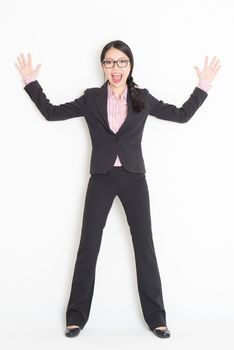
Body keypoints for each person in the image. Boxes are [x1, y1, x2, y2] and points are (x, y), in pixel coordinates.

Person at [15, 40, 220, 339]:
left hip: (134, 178)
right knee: (89, 245)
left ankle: (156, 319)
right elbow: (51, 113)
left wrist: (203, 85)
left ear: (130, 65)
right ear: (103, 66)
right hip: (101, 177)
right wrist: (31, 81)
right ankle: (76, 318)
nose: (116, 68)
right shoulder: (91, 98)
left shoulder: (142, 97)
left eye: (122, 62)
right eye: (110, 62)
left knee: (144, 247)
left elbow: (181, 115)